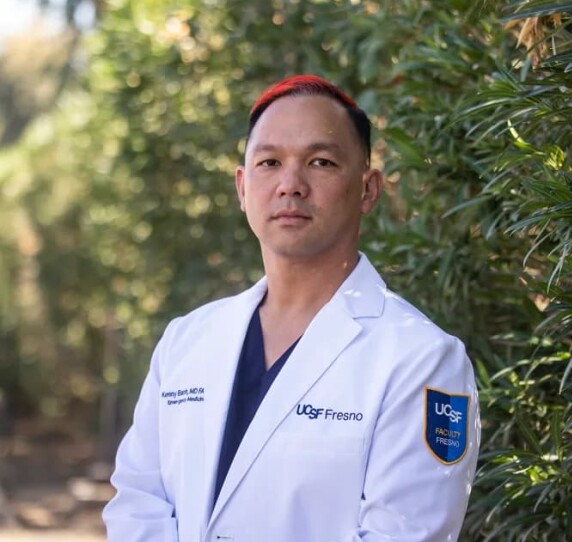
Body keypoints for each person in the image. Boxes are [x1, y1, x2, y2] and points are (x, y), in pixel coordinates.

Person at [103, 75, 480, 541]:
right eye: (269, 162)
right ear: (242, 188)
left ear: (367, 189)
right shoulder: (187, 341)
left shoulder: (421, 359)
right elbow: (138, 502)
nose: (290, 184)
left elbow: (403, 534)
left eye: (320, 162)